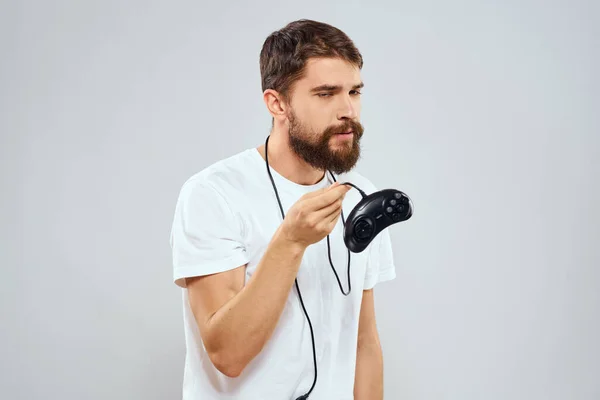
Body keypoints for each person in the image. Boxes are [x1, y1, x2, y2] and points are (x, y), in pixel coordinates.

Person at [169, 19, 396, 400]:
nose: (348, 111)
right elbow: (228, 353)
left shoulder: (360, 197)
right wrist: (290, 242)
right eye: (326, 94)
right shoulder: (213, 195)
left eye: (354, 92)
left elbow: (363, 342)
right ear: (277, 103)